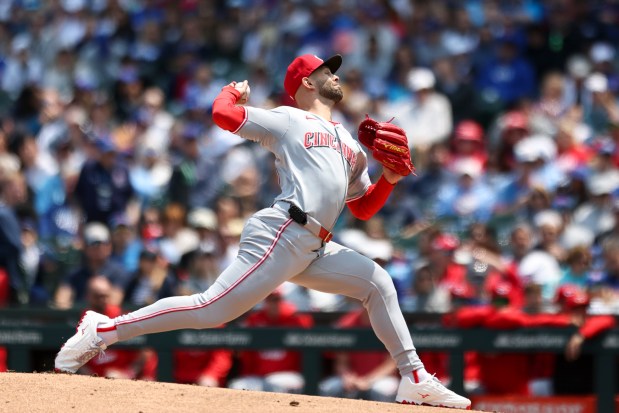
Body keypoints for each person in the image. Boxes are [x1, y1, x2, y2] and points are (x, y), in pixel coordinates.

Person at [55, 54, 471, 409]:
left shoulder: (349, 141)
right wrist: (232, 92)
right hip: (283, 229)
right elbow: (222, 115)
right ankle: (103, 329)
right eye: (328, 70)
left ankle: (414, 378)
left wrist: (389, 181)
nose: (336, 75)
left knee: (378, 283)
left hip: (314, 246)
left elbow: (361, 209)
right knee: (211, 309)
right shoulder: (289, 119)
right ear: (308, 81)